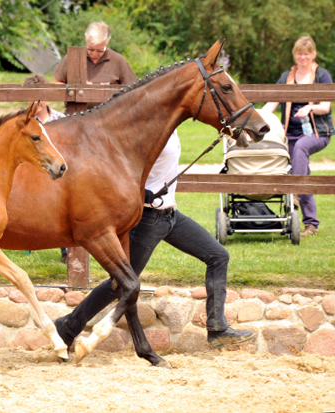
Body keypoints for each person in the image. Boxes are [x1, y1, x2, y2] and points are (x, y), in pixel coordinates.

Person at [54, 130, 256, 350]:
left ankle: (217, 327)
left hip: (171, 216)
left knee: (218, 256)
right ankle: (69, 327)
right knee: (121, 282)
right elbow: (122, 169)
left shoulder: (172, 128)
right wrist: (142, 192)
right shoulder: (150, 133)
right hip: (149, 219)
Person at [263, 35, 334, 237]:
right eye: (299, 53)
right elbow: (272, 103)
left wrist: (309, 108)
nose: (303, 57)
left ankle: (294, 191)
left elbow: (326, 106)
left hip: (317, 133)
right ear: (295, 55)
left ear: (313, 54)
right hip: (290, 134)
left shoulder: (322, 75)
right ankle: (311, 224)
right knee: (304, 173)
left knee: (302, 148)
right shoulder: (287, 76)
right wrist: (257, 116)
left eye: (307, 53)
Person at [23, 74, 68, 262]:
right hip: (28, 172)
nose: (37, 101)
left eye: (40, 96)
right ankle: (27, 244)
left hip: (54, 172)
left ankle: (65, 249)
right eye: (32, 96)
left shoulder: (61, 120)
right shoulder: (21, 121)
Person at [53, 21, 137, 108]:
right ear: (86, 40)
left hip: (108, 115)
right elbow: (56, 84)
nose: (95, 54)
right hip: (76, 114)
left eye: (100, 50)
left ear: (107, 42)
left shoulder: (118, 61)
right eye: (91, 49)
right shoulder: (73, 58)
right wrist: (78, 88)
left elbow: (133, 90)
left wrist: (108, 91)